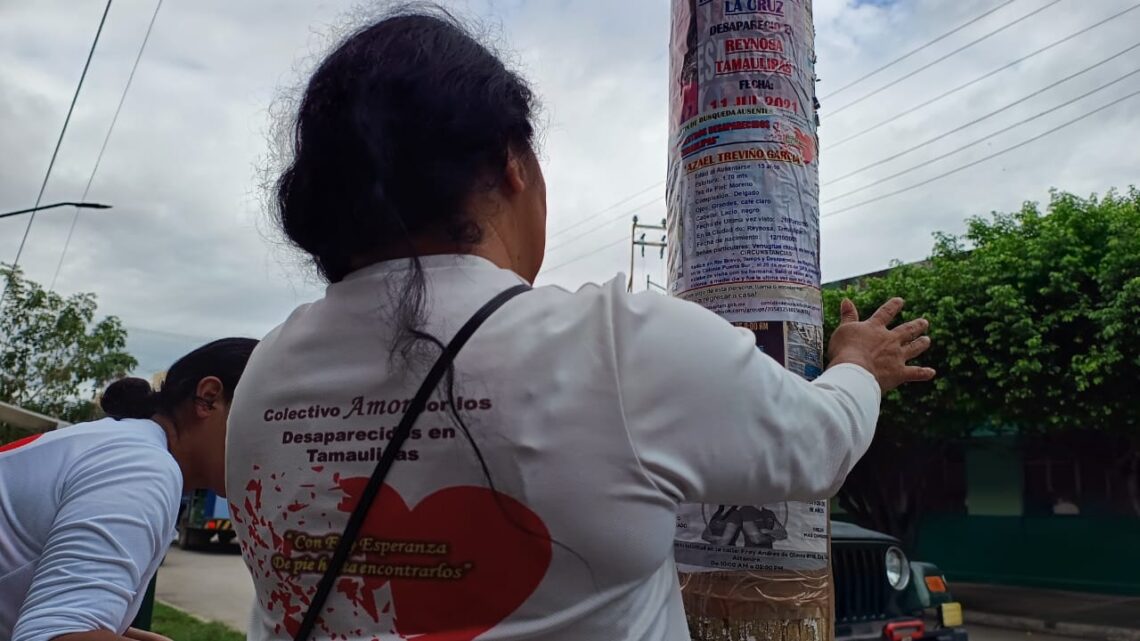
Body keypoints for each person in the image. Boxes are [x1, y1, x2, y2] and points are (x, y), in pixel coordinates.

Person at [227, 6, 935, 641]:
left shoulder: (263, 378)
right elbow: (821, 444)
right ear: (512, 165)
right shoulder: (616, 347)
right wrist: (858, 364)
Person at [0, 338, 257, 641]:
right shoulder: (142, 466)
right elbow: (55, 635)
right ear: (209, 398)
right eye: (270, 418)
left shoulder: (122, 445)